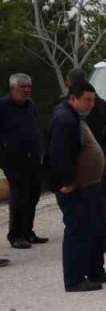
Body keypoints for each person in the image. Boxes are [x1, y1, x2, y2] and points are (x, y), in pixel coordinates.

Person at [49, 80, 106, 293]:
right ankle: (74, 279)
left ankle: (95, 271)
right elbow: (58, 154)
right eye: (87, 100)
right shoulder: (64, 118)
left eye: (93, 100)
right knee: (77, 230)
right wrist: (66, 182)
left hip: (90, 185)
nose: (91, 104)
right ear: (73, 98)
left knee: (94, 229)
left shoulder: (76, 116)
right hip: (76, 188)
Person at [1, 73, 48, 251]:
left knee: (34, 193)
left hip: (33, 158)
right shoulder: (3, 106)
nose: (27, 90)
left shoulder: (31, 105)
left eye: (29, 86)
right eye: (23, 87)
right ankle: (15, 235)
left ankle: (28, 231)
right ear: (13, 88)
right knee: (19, 196)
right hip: (12, 160)